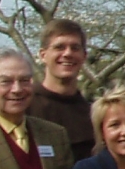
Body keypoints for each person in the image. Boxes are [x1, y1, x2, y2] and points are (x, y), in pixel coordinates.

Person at [29, 19, 95, 161]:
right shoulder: (25, 107)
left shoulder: (92, 114)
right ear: (43, 55)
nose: (67, 53)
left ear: (84, 56)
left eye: (75, 48)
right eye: (59, 47)